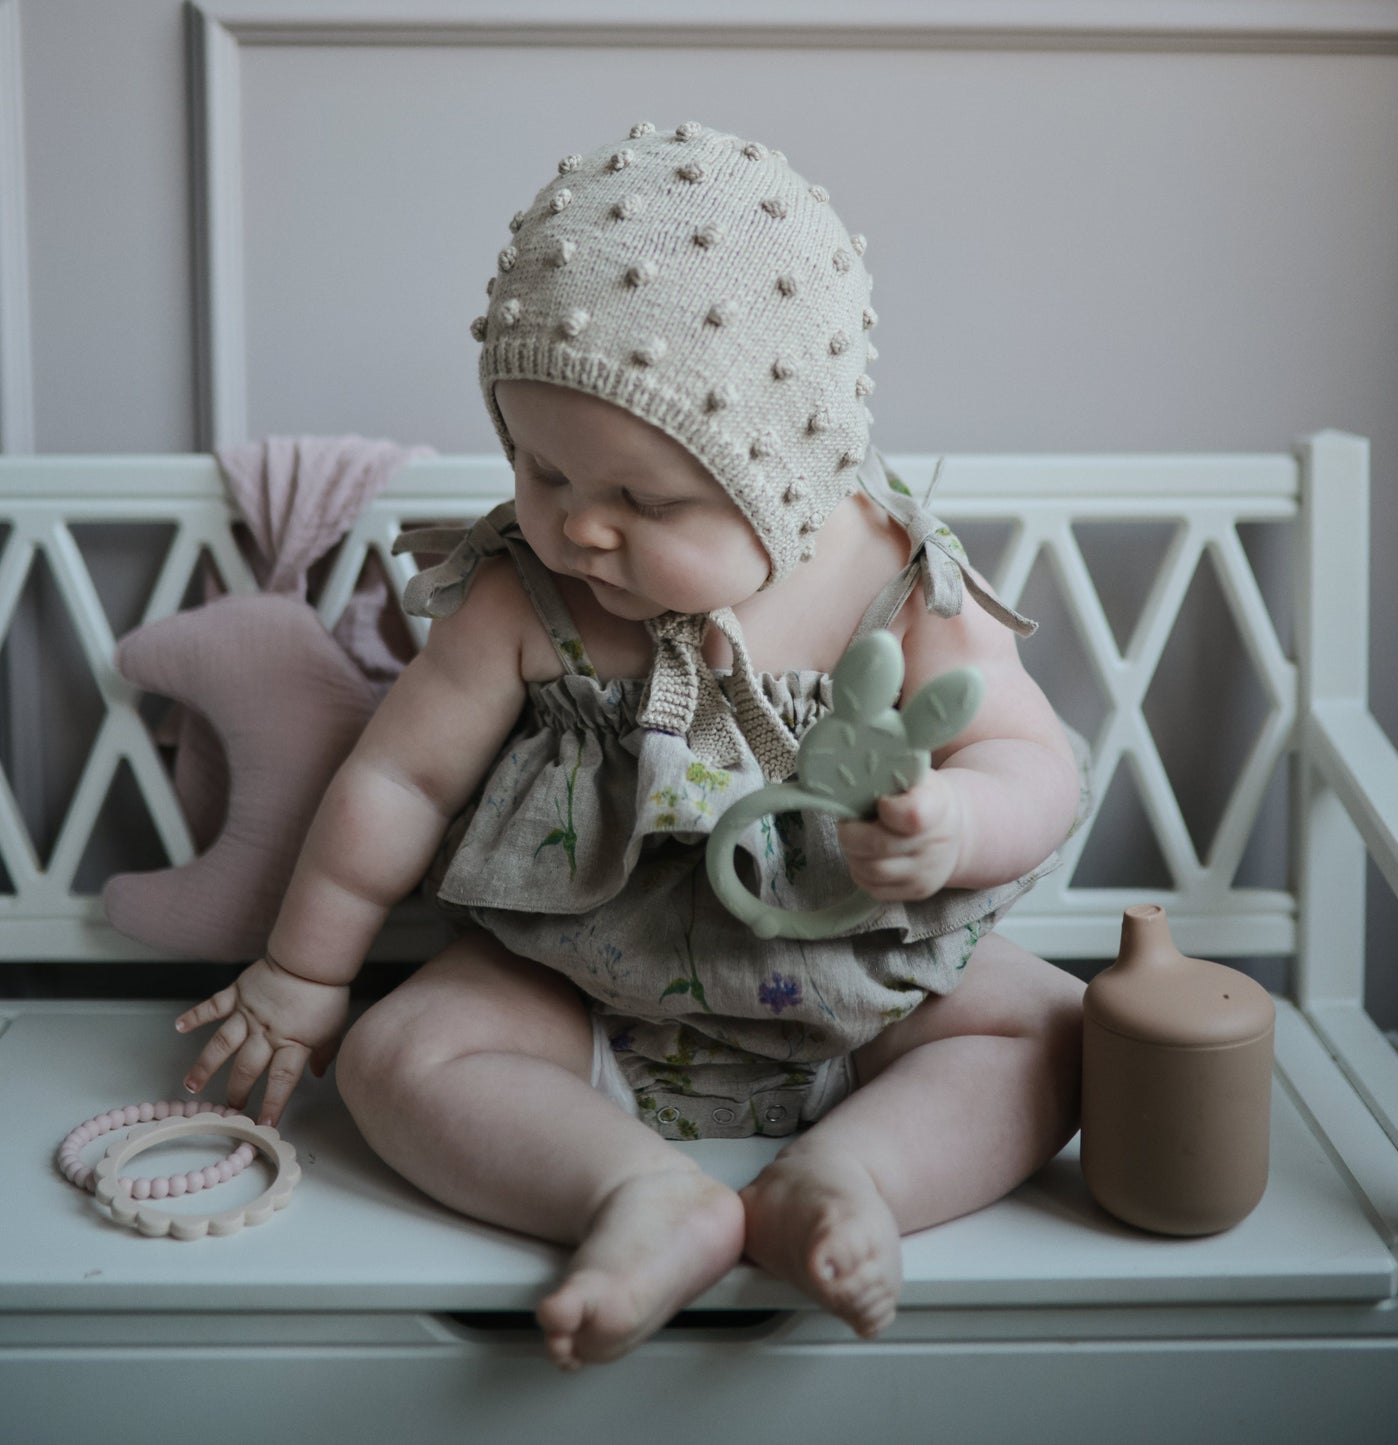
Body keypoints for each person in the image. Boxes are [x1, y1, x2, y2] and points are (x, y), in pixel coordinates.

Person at [175, 121, 1088, 1369]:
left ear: (783, 474)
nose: (578, 530)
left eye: (643, 501)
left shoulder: (894, 579)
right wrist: (303, 975)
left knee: (1049, 1032)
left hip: (861, 986)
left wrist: (959, 826)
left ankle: (846, 1177)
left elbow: (1036, 758)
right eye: (541, 470)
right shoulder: (519, 598)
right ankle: (633, 1194)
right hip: (580, 996)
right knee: (397, 1057)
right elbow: (399, 777)